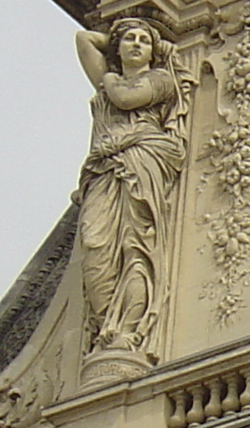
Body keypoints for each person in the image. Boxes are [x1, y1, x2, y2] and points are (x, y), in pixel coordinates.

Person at [75, 18, 185, 363]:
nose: (137, 44)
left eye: (145, 41)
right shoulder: (112, 79)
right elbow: (83, 39)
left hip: (140, 164)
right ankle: (106, 328)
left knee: (136, 246)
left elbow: (124, 98)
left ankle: (126, 332)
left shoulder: (161, 79)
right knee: (95, 244)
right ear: (117, 48)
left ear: (154, 53)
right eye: (129, 40)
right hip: (106, 168)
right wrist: (112, 46)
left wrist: (108, 77)